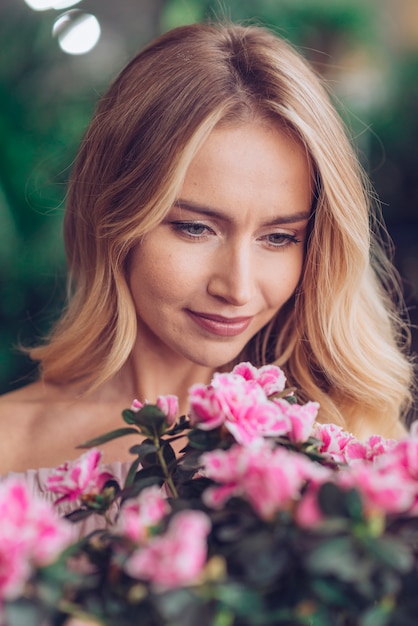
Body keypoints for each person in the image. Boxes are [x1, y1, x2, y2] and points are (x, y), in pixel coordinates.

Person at [0, 21, 414, 484]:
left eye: (278, 237)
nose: (236, 289)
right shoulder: (8, 445)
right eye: (196, 228)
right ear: (113, 217)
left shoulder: (349, 447)